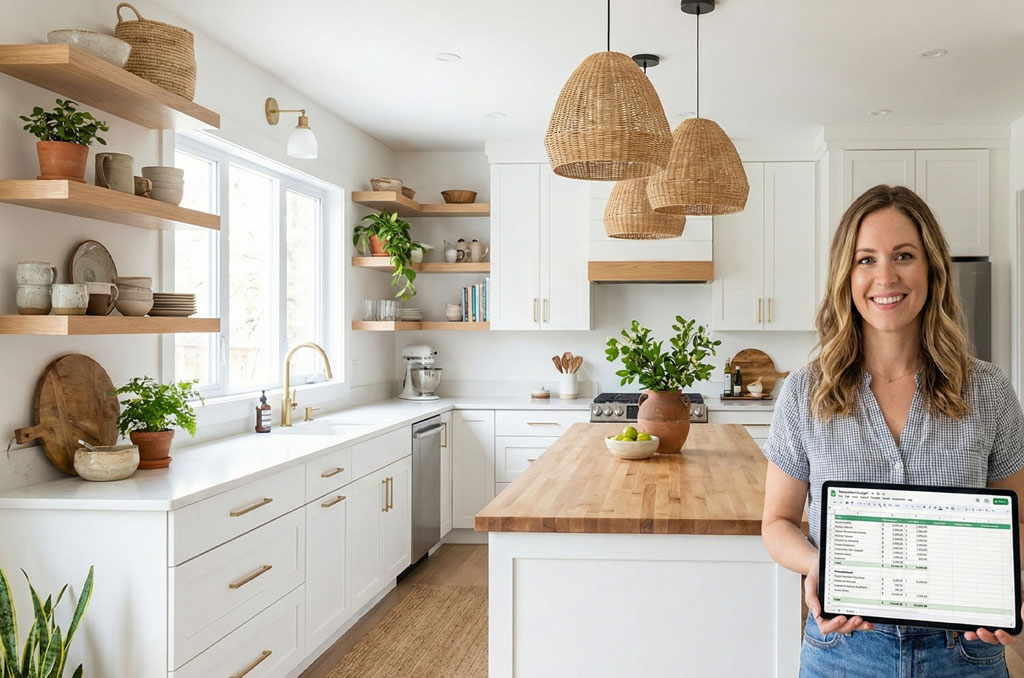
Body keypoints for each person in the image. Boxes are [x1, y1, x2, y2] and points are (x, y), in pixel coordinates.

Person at [761, 184, 1024, 677]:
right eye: (866, 259)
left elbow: (1020, 523)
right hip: (843, 653)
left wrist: (1003, 579)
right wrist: (817, 566)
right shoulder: (804, 392)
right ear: (846, 274)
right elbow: (776, 523)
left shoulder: (988, 391)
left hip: (964, 654)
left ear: (931, 269)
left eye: (904, 255)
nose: (886, 276)